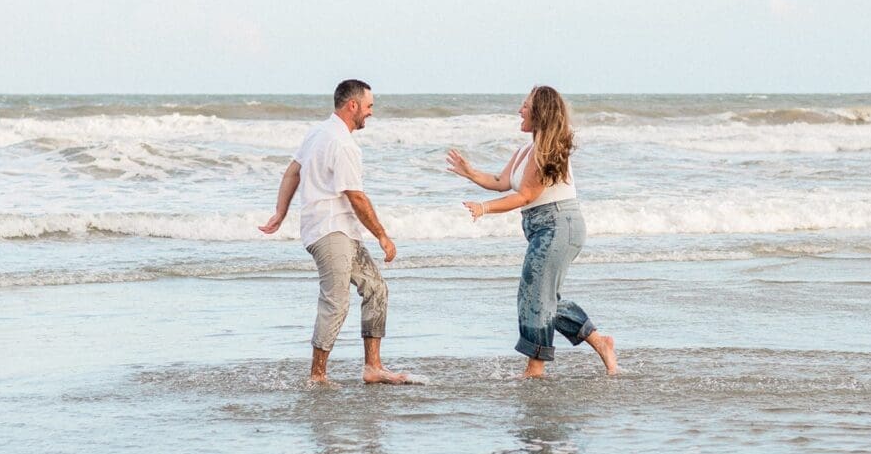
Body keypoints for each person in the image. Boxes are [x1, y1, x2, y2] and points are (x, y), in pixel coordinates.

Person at [446, 85, 618, 377]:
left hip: (558, 225)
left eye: (524, 106)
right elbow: (502, 181)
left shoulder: (546, 151)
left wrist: (484, 208)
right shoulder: (526, 149)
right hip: (546, 227)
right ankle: (599, 341)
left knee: (535, 296)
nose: (519, 111)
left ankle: (535, 366)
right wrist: (470, 172)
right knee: (541, 296)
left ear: (539, 113)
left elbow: (524, 196)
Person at [259, 79, 410, 384]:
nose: (371, 113)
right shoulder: (342, 144)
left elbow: (293, 171)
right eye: (369, 107)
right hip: (331, 231)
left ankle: (373, 368)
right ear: (352, 105)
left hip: (339, 230)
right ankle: (317, 375)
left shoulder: (319, 132)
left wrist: (281, 211)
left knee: (376, 288)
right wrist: (382, 234)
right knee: (336, 300)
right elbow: (356, 196)